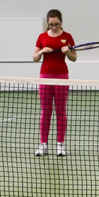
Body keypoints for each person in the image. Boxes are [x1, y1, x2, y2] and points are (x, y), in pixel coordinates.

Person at [32, 9, 76, 157]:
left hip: (62, 77)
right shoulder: (42, 37)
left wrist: (67, 52)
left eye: (57, 24)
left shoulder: (67, 37)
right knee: (45, 111)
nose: (54, 27)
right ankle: (43, 145)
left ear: (61, 22)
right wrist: (41, 51)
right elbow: (34, 58)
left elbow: (74, 58)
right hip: (45, 77)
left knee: (61, 111)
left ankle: (60, 145)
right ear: (47, 23)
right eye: (51, 24)